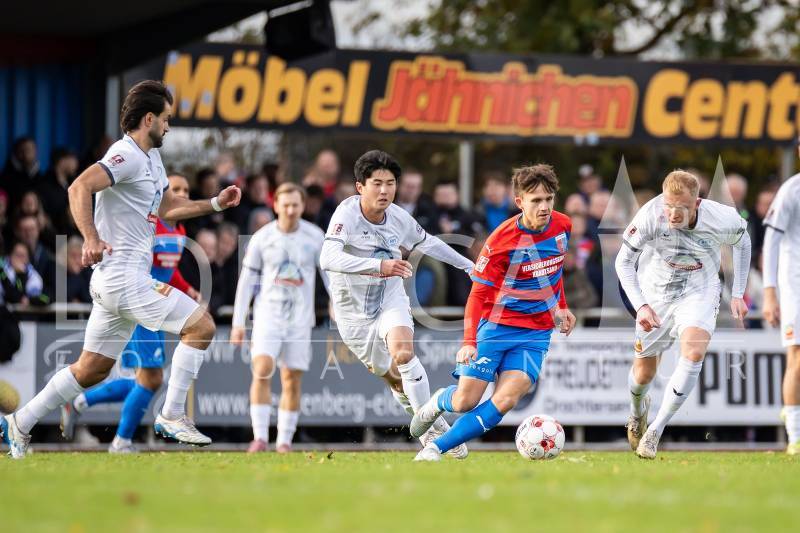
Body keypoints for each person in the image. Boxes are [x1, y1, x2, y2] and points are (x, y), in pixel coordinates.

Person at [0, 80, 241, 459]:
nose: (169, 126)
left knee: (91, 369)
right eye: (166, 118)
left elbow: (168, 207)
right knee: (202, 326)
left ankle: (20, 421)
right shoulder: (125, 154)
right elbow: (78, 187)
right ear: (149, 119)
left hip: (118, 282)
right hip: (123, 278)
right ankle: (172, 414)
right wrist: (91, 238)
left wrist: (214, 203)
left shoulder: (151, 158)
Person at [411, 164, 576, 461]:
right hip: (497, 327)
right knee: (464, 401)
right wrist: (469, 341)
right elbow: (478, 294)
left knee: (506, 399)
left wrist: (561, 306)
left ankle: (435, 448)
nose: (544, 207)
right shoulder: (501, 240)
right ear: (520, 202)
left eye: (549, 199)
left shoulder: (563, 226)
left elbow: (553, 271)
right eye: (536, 200)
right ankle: (438, 401)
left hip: (536, 333)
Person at [319, 150, 474, 458]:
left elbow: (429, 242)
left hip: (389, 298)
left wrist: (467, 265)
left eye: (390, 183)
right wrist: (380, 266)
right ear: (360, 187)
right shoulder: (346, 215)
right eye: (377, 183)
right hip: (352, 314)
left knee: (403, 353)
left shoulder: (399, 217)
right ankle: (433, 426)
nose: (384, 190)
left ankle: (434, 438)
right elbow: (327, 258)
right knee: (394, 378)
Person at [58, 174, 201, 453]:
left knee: (143, 378)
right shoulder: (151, 227)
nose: (182, 193)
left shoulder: (180, 230)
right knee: (151, 379)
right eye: (176, 189)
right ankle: (121, 441)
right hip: (140, 306)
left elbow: (169, 272)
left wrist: (187, 289)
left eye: (186, 189)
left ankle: (80, 403)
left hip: (156, 309)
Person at [615, 170, 750, 459]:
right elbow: (622, 262)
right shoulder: (650, 214)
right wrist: (641, 306)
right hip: (656, 293)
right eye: (669, 205)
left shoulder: (721, 217)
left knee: (694, 352)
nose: (674, 214)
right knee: (643, 374)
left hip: (699, 291)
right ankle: (637, 412)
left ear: (697, 203)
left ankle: (655, 431)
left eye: (683, 207)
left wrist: (738, 292)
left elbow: (743, 242)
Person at [230, 183, 327, 453]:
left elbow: (330, 275)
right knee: (262, 369)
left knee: (291, 378)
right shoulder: (262, 237)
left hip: (300, 319)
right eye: (285, 205)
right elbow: (246, 281)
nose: (290, 210)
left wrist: (337, 304)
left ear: (303, 206)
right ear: (275, 205)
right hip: (267, 316)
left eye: (295, 205)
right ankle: (260, 437)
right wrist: (238, 323)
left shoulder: (315, 236)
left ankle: (284, 441)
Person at [761, 171, 800, 455]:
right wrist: (770, 292)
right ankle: (795, 437)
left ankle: (791, 411)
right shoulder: (791, 190)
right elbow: (771, 241)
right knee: (798, 357)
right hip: (795, 284)